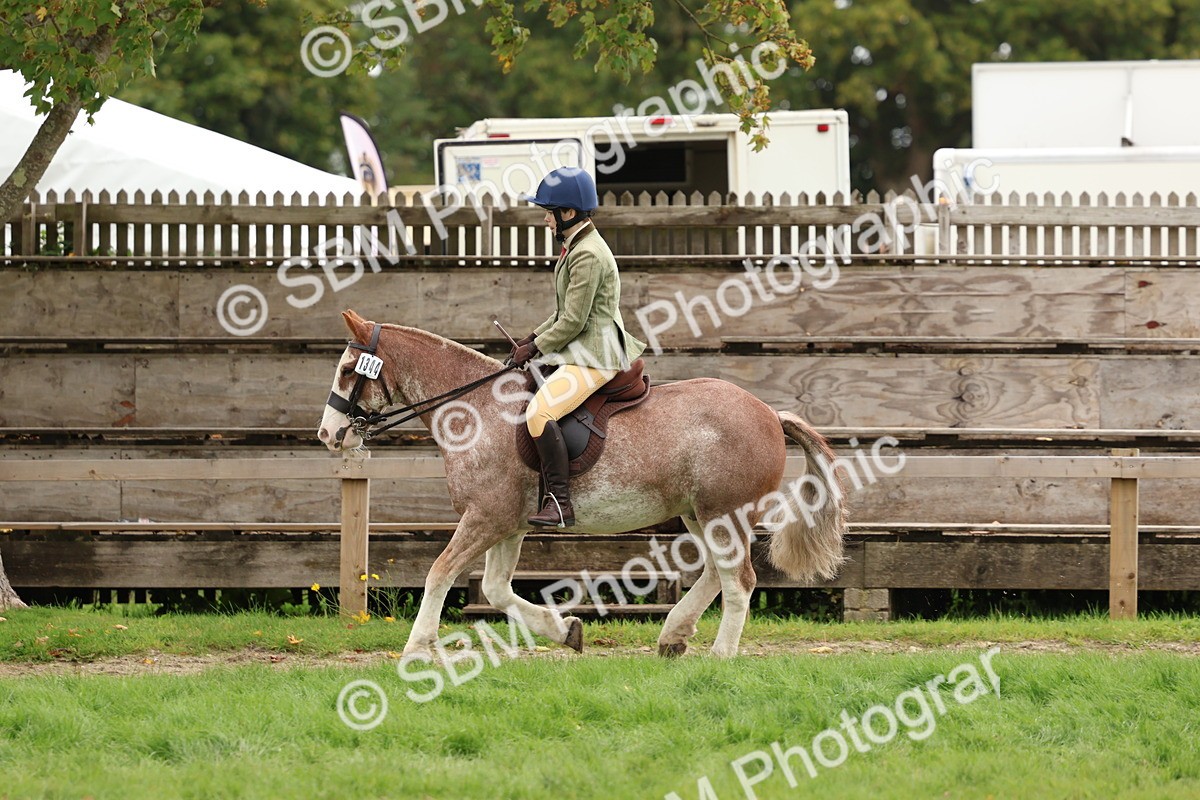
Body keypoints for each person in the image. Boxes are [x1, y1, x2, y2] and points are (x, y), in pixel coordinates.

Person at [510, 166, 646, 527]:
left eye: (548, 212)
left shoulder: (587, 254)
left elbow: (574, 322)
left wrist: (536, 348)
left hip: (595, 354)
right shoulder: (580, 246)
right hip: (583, 347)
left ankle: (559, 503)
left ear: (567, 213)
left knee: (539, 413)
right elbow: (562, 313)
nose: (545, 220)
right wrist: (530, 338)